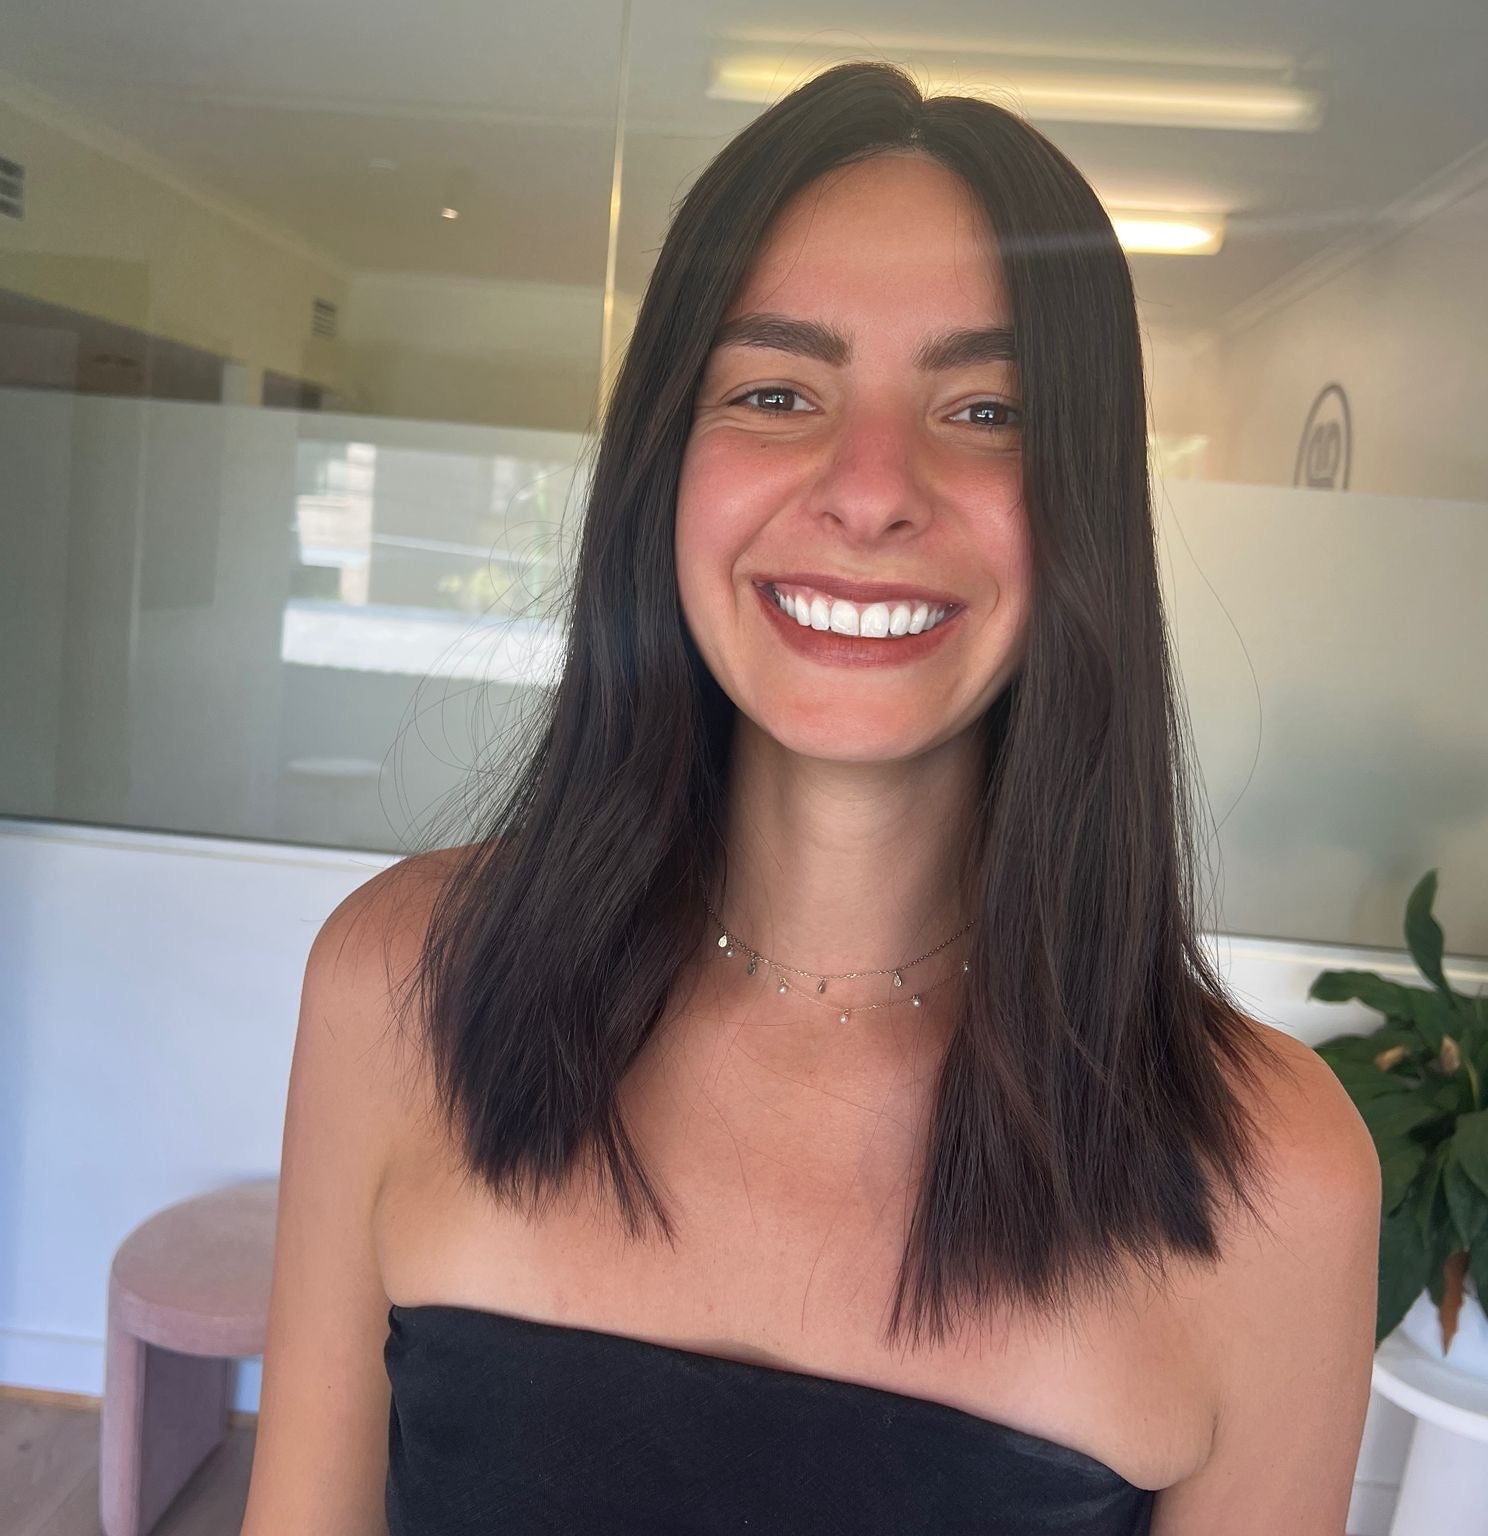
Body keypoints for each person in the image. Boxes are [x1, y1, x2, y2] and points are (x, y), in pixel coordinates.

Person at [239, 59, 1380, 1536]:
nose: (870, 487)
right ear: (667, 466)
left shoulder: (1273, 1177)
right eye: (778, 391)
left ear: (1088, 504)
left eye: (985, 411)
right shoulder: (402, 988)